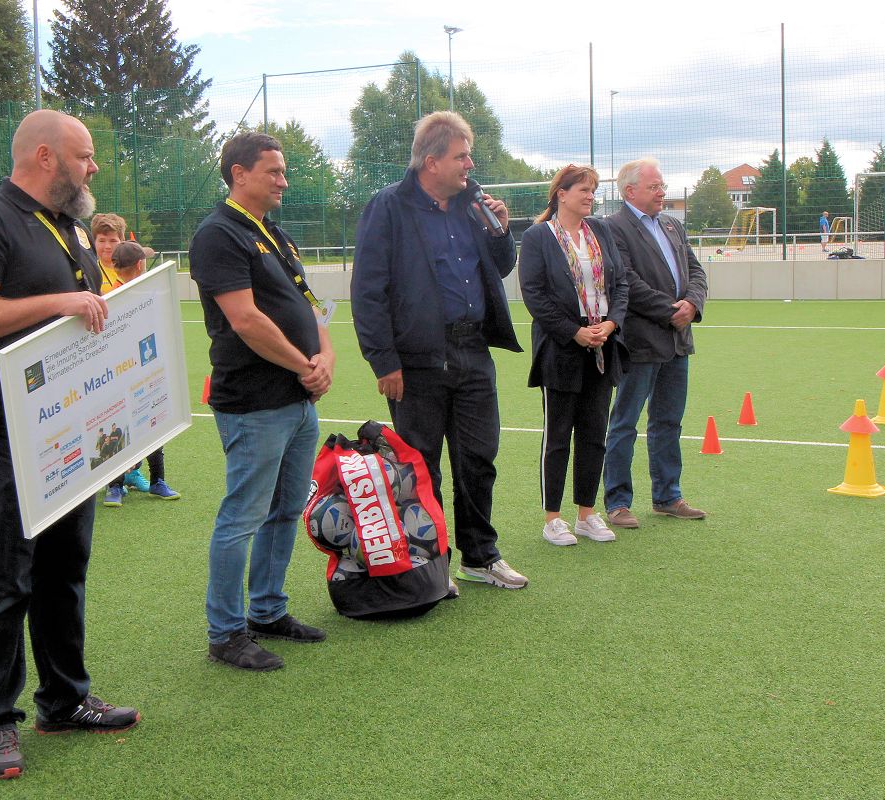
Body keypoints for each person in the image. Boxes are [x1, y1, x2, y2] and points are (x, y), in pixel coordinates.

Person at [0, 109, 136, 781]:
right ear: (45, 156)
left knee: (64, 567)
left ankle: (64, 699)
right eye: (85, 155)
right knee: (7, 573)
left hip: (69, 422)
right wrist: (58, 304)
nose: (94, 167)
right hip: (5, 425)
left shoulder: (70, 225)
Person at [350, 111, 527, 589]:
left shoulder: (473, 206)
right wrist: (383, 361)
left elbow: (500, 267)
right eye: (461, 156)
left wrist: (500, 231)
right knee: (421, 466)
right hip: (417, 360)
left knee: (478, 460)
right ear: (431, 162)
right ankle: (431, 563)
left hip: (473, 350)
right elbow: (368, 290)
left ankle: (480, 556)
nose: (470, 164)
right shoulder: (388, 206)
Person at [189, 131, 331, 672]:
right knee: (242, 516)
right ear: (239, 173)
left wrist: (325, 357)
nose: (283, 181)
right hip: (253, 402)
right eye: (274, 171)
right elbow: (245, 320)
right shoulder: (218, 234)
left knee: (286, 509)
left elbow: (312, 305)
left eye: (283, 171)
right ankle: (226, 634)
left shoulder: (274, 233)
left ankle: (267, 611)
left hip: (297, 400)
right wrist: (304, 365)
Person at [519, 165, 629, 546]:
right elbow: (534, 294)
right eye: (584, 189)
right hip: (561, 347)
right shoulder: (538, 237)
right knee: (558, 435)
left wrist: (611, 324)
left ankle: (586, 513)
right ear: (561, 194)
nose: (590, 196)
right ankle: (553, 518)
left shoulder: (600, 231)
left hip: (602, 345)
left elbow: (621, 284)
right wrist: (573, 331)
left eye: (593, 190)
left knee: (595, 433)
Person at [603, 158, 709, 529]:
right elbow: (626, 282)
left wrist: (692, 303)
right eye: (654, 187)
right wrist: (671, 311)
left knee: (668, 422)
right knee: (625, 423)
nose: (662, 192)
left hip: (678, 341)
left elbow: (696, 271)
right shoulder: (614, 228)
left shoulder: (672, 225)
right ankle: (618, 502)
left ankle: (668, 496)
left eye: (662, 185)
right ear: (630, 191)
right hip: (641, 342)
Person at [102, 240, 178, 504]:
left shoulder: (143, 292)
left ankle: (156, 481)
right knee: (121, 428)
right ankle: (116, 485)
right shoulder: (115, 297)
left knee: (152, 424)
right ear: (139, 264)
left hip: (145, 371)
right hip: (123, 375)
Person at [90, 212, 127, 293]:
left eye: (113, 241)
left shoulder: (131, 269)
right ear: (94, 242)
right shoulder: (90, 273)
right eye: (102, 241)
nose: (107, 246)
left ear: (122, 242)